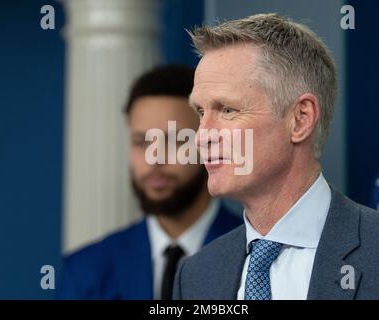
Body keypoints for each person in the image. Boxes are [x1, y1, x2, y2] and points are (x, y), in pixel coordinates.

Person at [173, 13, 379, 300]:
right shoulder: (195, 275)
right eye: (201, 112)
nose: (202, 135)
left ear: (301, 119)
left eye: (227, 110)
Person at [58, 65, 242, 299]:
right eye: (142, 141)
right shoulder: (86, 270)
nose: (154, 158)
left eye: (175, 140)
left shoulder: (252, 255)